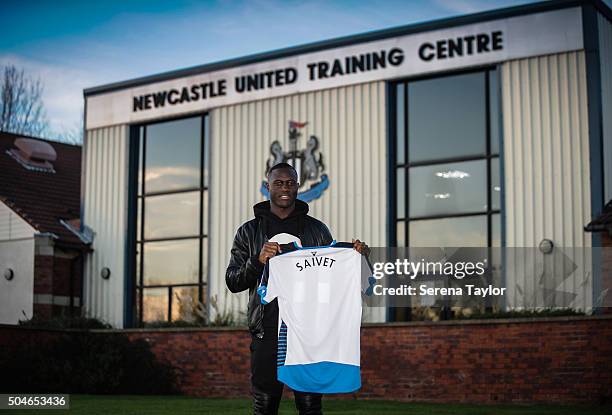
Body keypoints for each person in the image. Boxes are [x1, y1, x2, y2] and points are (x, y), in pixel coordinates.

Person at [225, 162, 369, 415]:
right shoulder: (248, 232)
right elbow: (233, 281)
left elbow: (333, 280)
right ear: (267, 186)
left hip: (308, 331)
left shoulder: (316, 229)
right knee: (265, 405)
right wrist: (257, 261)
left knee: (310, 405)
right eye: (278, 183)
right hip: (266, 329)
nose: (285, 188)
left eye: (290, 183)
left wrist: (360, 258)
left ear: (298, 187)